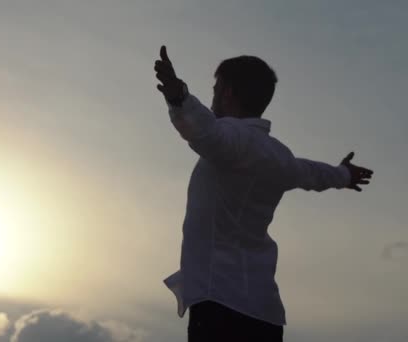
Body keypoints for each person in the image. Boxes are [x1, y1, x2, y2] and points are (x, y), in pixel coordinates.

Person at [153, 45, 373, 341]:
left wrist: (178, 96)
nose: (213, 96)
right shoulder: (277, 154)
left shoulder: (235, 138)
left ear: (228, 92)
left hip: (222, 309)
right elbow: (310, 173)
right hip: (262, 315)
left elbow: (206, 133)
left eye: (216, 89)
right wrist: (343, 174)